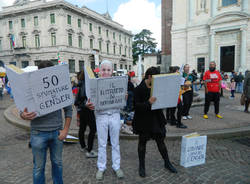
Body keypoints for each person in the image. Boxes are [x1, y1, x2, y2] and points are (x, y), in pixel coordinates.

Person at [20, 61, 73, 184]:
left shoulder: (59, 85)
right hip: (38, 133)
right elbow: (21, 111)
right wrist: (23, 115)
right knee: (38, 168)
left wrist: (65, 130)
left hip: (57, 133)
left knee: (58, 164)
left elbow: (68, 109)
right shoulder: (31, 88)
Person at [132, 67, 177, 178]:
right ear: (150, 77)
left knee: (161, 142)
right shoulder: (138, 89)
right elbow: (136, 107)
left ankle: (167, 162)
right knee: (142, 143)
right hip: (143, 120)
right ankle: (141, 166)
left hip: (156, 119)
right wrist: (148, 103)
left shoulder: (158, 88)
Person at [90, 60, 124, 180]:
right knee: (102, 143)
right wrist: (89, 104)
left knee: (115, 143)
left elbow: (122, 104)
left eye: (108, 70)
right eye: (103, 70)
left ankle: (116, 166)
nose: (106, 72)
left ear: (112, 71)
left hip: (114, 114)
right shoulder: (95, 83)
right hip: (101, 116)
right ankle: (101, 167)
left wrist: (124, 98)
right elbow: (90, 99)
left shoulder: (118, 83)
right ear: (100, 71)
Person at [74, 70, 97, 158]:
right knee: (93, 129)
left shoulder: (80, 83)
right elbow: (80, 100)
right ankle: (89, 150)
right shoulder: (85, 85)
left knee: (82, 128)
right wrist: (85, 104)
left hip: (82, 110)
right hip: (87, 110)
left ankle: (83, 146)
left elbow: (77, 101)